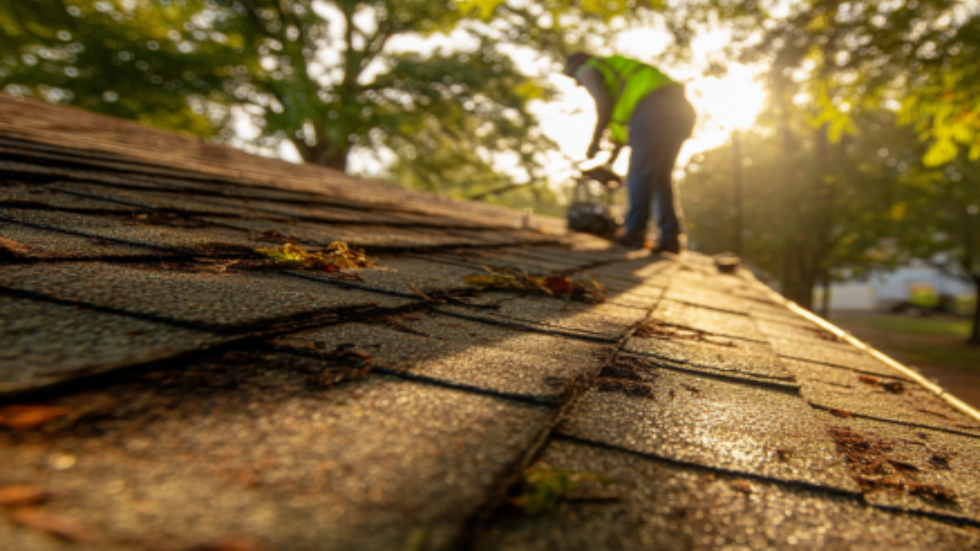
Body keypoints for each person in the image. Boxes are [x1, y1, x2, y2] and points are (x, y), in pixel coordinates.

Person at [564, 52, 695, 254]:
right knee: (660, 176)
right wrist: (609, 160)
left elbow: (604, 105)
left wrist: (595, 142)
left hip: (655, 108)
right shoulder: (619, 76)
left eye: (574, 78)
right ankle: (671, 238)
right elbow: (622, 134)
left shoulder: (588, 68)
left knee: (639, 172)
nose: (579, 84)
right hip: (682, 111)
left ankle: (634, 231)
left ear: (577, 66)